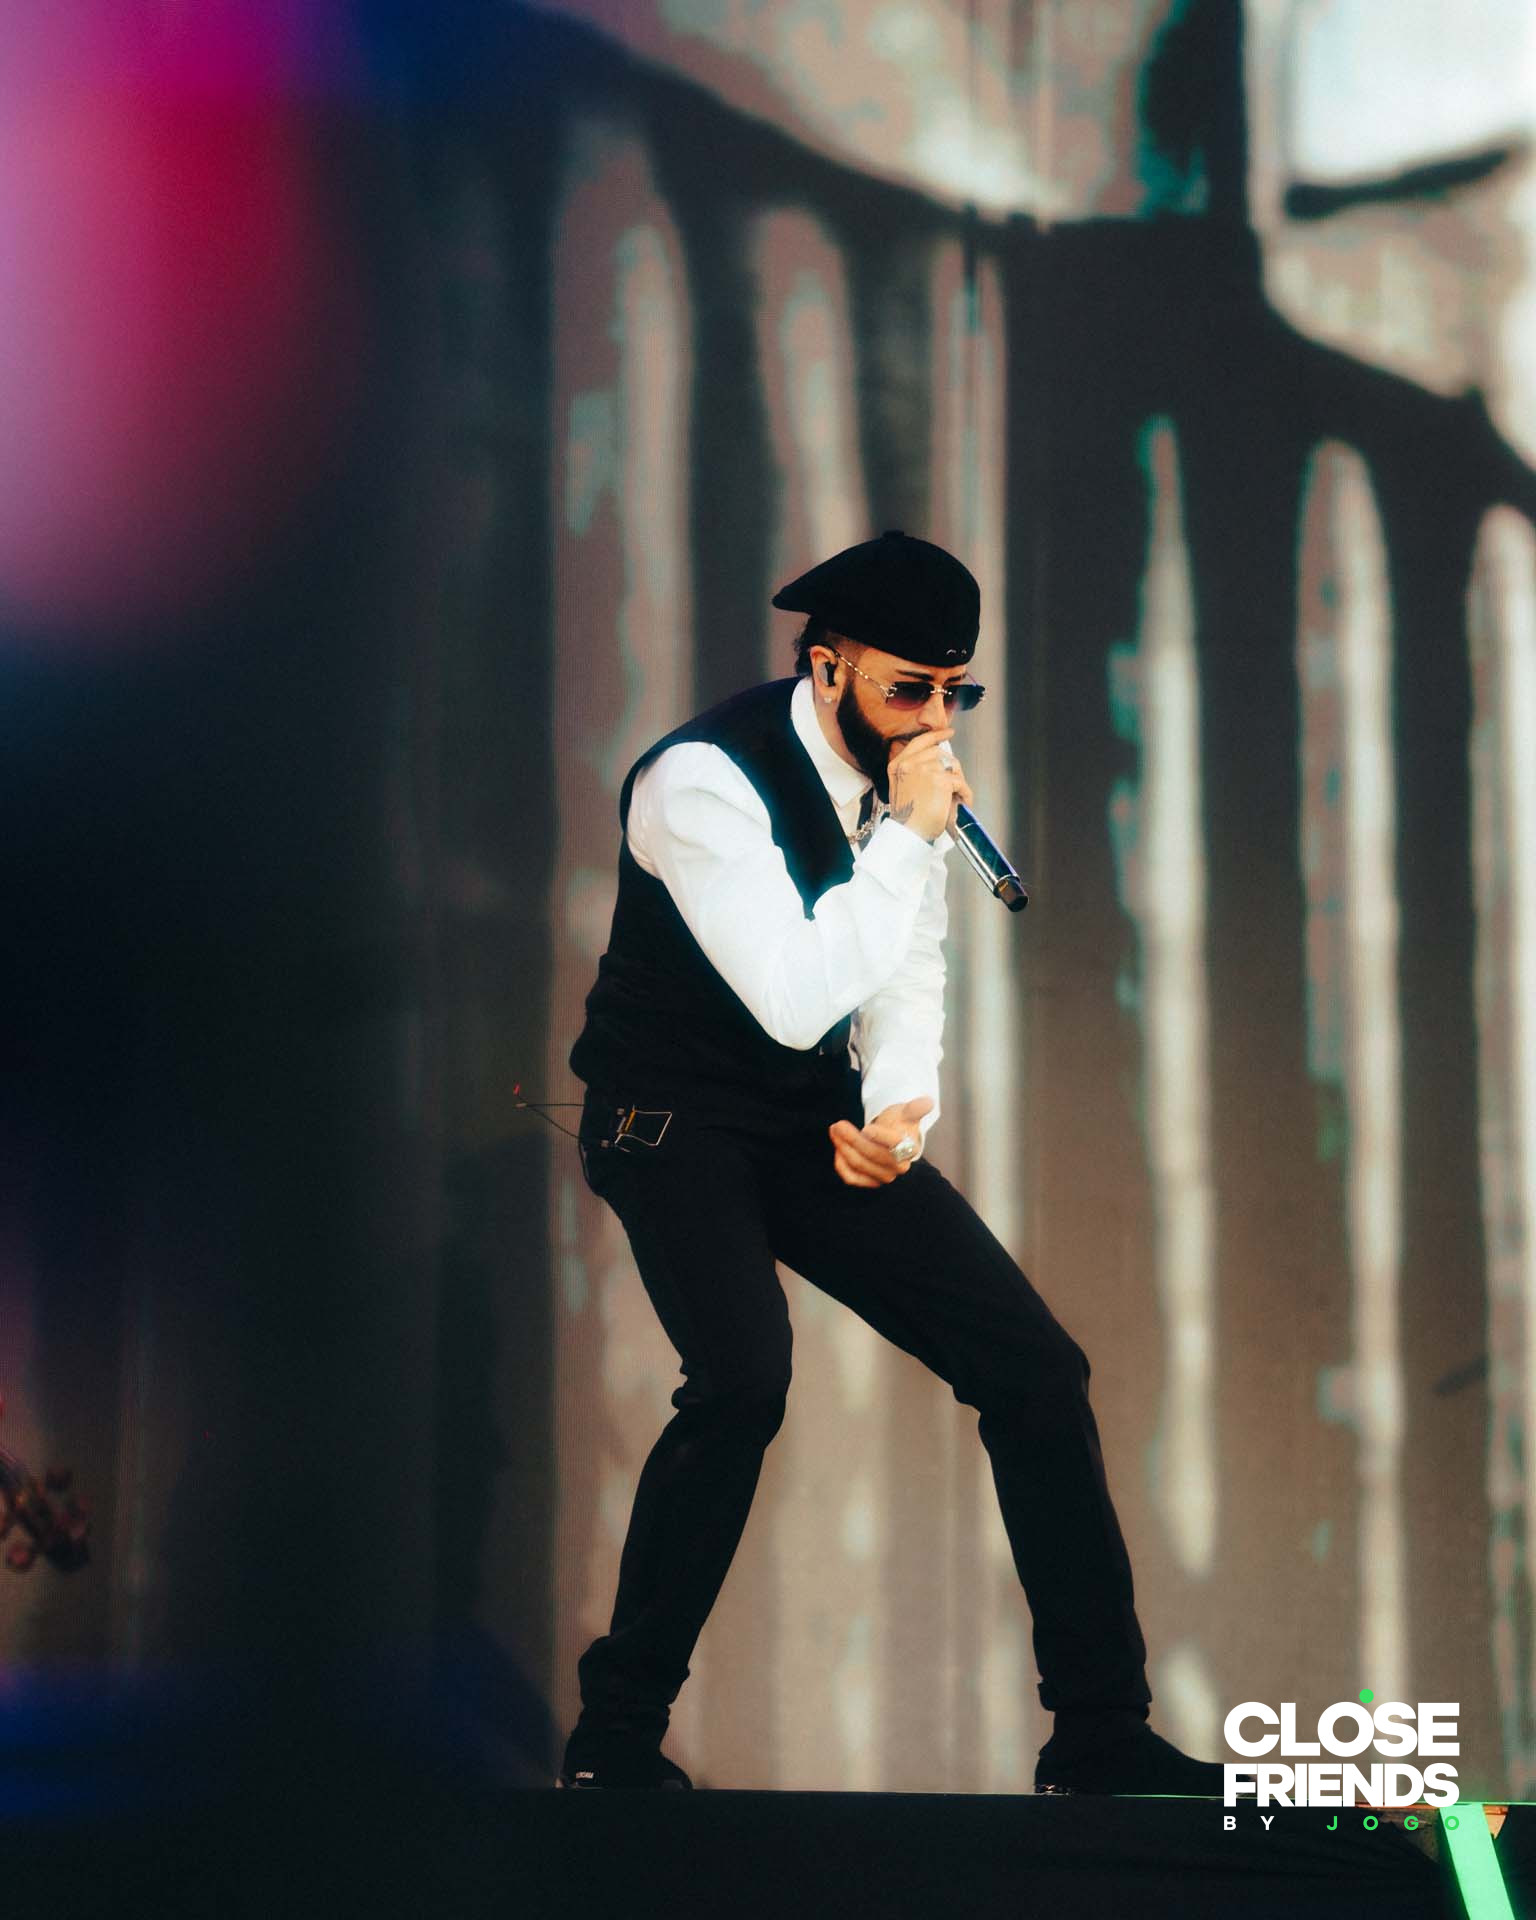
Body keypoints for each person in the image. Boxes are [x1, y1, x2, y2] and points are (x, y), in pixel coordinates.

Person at [558, 530, 1223, 1796]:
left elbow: (908, 966)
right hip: (669, 1115)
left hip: (807, 1116)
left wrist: (900, 1110)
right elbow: (794, 999)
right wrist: (911, 836)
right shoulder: (701, 783)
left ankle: (1099, 1735)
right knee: (742, 1380)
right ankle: (616, 1736)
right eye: (909, 688)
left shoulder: (899, 787)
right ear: (827, 668)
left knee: (1036, 1370)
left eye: (956, 692)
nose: (934, 719)